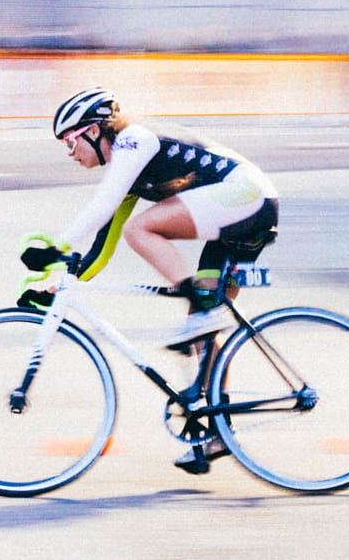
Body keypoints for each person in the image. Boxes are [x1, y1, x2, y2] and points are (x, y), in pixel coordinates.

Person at [19, 87, 279, 473]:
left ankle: (205, 311)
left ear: (94, 130)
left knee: (142, 230)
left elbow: (101, 204)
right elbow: (99, 250)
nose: (69, 151)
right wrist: (55, 289)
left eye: (70, 140)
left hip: (246, 197)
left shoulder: (133, 141)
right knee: (202, 317)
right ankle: (216, 432)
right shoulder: (130, 171)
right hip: (248, 208)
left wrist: (56, 244)